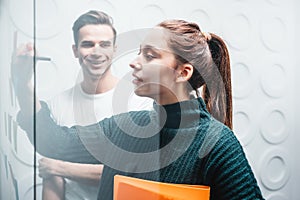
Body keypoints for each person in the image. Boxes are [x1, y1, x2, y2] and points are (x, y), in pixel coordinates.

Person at [13, 19, 265, 200]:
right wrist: (23, 85)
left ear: (182, 72)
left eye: (150, 55)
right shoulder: (125, 129)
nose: (134, 63)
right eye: (139, 53)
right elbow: (54, 142)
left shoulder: (218, 145)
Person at [13, 10, 152, 200]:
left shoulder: (140, 102)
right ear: (75, 50)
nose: (96, 52)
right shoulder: (58, 104)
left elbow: (131, 172)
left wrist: (61, 166)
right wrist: (23, 83)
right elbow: (51, 173)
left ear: (114, 49)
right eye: (88, 44)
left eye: (104, 44)